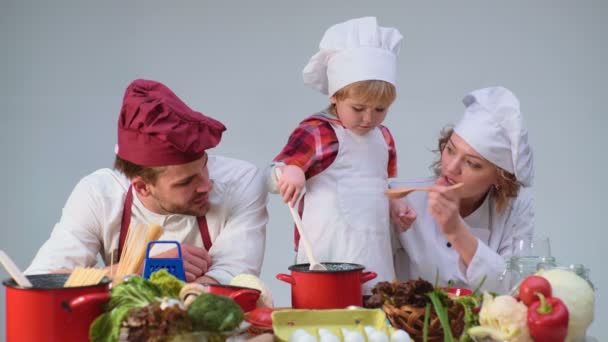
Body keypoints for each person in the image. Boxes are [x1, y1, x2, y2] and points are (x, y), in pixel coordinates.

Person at [26, 79, 268, 284]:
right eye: (185, 182)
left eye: (204, 167)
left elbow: (233, 279)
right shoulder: (99, 195)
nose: (206, 185)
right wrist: (140, 269)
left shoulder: (242, 182)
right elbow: (40, 281)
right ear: (141, 187)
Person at [268, 17, 407, 294]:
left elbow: (383, 185)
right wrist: (291, 171)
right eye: (358, 108)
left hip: (375, 251)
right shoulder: (317, 131)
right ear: (335, 97)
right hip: (325, 256)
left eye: (380, 110)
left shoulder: (384, 137)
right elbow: (273, 175)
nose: (369, 119)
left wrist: (395, 206)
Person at [391, 86, 534, 292]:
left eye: (472, 164)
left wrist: (455, 230)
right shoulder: (403, 201)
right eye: (450, 150)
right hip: (413, 323)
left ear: (500, 178)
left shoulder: (516, 212)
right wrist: (382, 199)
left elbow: (513, 288)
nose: (450, 167)